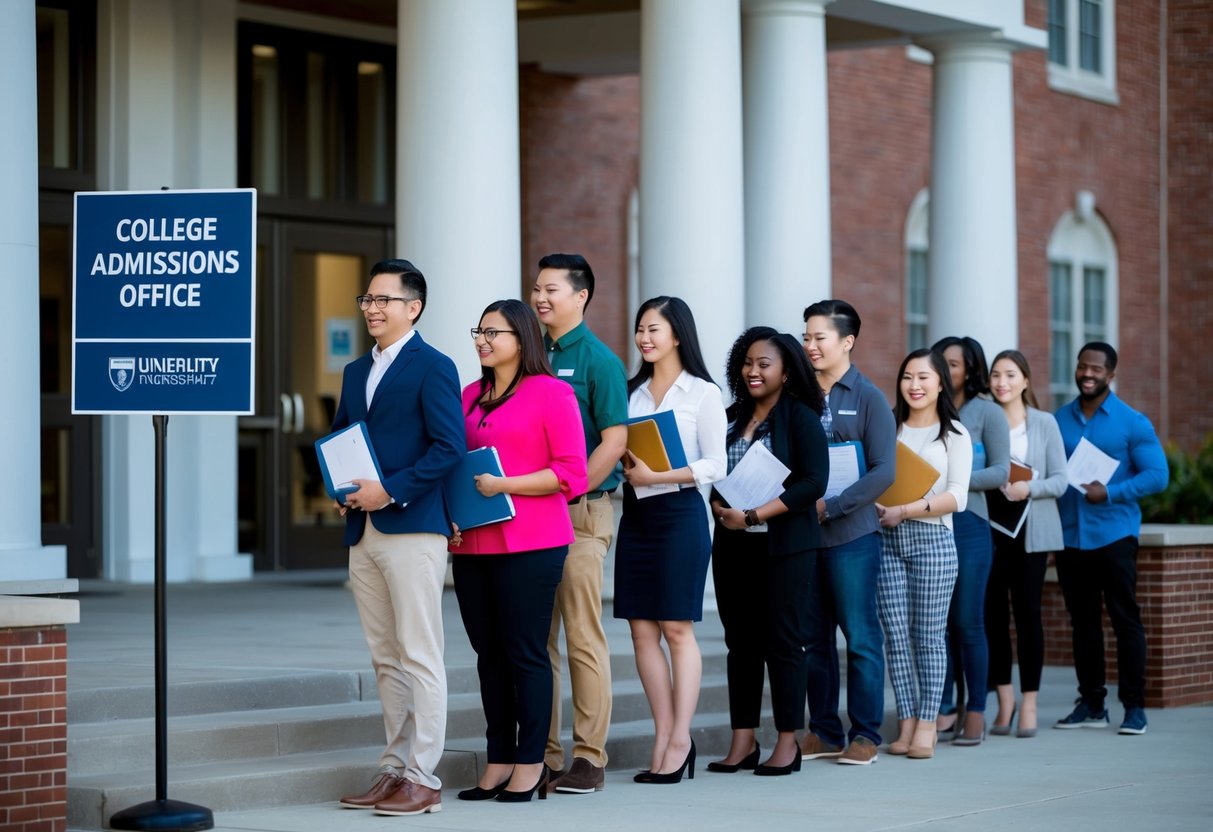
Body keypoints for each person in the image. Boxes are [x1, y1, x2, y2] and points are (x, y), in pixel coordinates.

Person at [332, 259, 465, 817]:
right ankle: (393, 769)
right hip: (362, 531)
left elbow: (448, 445)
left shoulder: (434, 366)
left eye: (384, 300)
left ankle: (424, 775)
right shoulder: (354, 369)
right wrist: (342, 487)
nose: (373, 308)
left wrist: (390, 491)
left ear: (414, 307)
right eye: (367, 300)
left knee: (419, 654)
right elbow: (343, 435)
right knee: (385, 658)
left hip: (411, 526)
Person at [450, 299, 588, 803]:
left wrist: (504, 483)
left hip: (533, 543)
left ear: (522, 338)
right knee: (489, 655)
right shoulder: (466, 396)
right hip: (471, 544)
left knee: (525, 654)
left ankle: (532, 763)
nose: (482, 340)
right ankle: (499, 759)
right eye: (478, 331)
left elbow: (571, 473)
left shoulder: (553, 394)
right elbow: (453, 465)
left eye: (493, 332)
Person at [615, 296, 726, 784]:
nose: (644, 338)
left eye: (654, 329)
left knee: (676, 629)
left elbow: (716, 465)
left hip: (681, 514)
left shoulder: (702, 394)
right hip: (638, 516)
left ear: (677, 334)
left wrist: (663, 473)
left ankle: (682, 738)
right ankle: (662, 735)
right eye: (640, 329)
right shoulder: (630, 393)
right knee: (641, 629)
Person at [708, 328, 829, 777]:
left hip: (785, 548)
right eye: (747, 362)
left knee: (783, 642)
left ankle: (787, 741)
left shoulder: (800, 418)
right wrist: (720, 507)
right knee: (740, 644)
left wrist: (756, 515)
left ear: (785, 370)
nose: (753, 371)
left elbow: (813, 483)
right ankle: (743, 741)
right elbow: (714, 470)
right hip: (733, 545)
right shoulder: (731, 416)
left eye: (764, 364)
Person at [533, 253, 629, 795]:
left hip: (582, 511)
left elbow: (614, 442)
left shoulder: (599, 361)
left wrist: (566, 491)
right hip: (532, 514)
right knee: (537, 638)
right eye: (536, 288)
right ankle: (544, 754)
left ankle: (589, 756)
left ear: (580, 296)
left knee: (580, 635)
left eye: (551, 289)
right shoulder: (529, 354)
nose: (541, 298)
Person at [799, 300, 896, 766]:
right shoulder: (796, 394)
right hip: (804, 537)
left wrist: (834, 506)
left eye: (819, 337)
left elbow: (883, 472)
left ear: (847, 342)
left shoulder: (868, 398)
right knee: (813, 639)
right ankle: (823, 730)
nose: (810, 345)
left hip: (853, 537)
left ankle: (866, 734)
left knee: (859, 637)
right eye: (806, 337)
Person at [1053, 342, 1168, 735]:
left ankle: (1134, 707)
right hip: (1070, 538)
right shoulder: (1057, 421)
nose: (1088, 373)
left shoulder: (1132, 421)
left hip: (1114, 535)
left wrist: (1112, 491)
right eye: (1083, 366)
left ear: (1111, 375)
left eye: (1097, 369)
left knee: (1125, 620)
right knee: (1083, 623)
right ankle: (1091, 703)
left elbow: (1158, 475)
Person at [877, 349, 971, 760]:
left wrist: (905, 510)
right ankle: (907, 721)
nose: (914, 386)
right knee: (895, 638)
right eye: (907, 377)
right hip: (885, 542)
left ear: (939, 384)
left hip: (932, 541)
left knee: (929, 637)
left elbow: (958, 497)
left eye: (923, 378)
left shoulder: (954, 434)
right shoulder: (887, 428)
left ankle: (929, 723)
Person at [930, 337, 1010, 746]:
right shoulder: (924, 408)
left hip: (970, 525)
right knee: (935, 624)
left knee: (966, 620)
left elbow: (1000, 472)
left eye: (953, 364)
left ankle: (976, 710)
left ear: (969, 369)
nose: (945, 370)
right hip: (927, 525)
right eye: (940, 363)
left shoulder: (987, 413)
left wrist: (955, 484)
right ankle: (943, 709)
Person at [984, 350, 1067, 738]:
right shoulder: (983, 421)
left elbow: (1061, 481)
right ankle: (1005, 701)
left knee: (1028, 616)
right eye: (996, 375)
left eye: (1010, 374)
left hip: (1031, 533)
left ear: (1026, 381)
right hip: (990, 530)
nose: (1002, 382)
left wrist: (1027, 487)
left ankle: (1029, 702)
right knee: (993, 618)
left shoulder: (1044, 423)